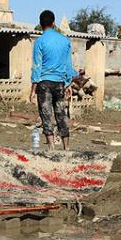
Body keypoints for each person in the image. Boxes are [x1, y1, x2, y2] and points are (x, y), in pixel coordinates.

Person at [29, 10, 78, 150]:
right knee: (61, 115)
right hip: (60, 84)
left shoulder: (39, 42)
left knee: (46, 114)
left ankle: (51, 147)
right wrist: (68, 83)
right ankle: (66, 147)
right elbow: (69, 64)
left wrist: (33, 89)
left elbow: (37, 67)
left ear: (40, 24)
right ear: (53, 22)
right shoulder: (65, 40)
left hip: (44, 83)